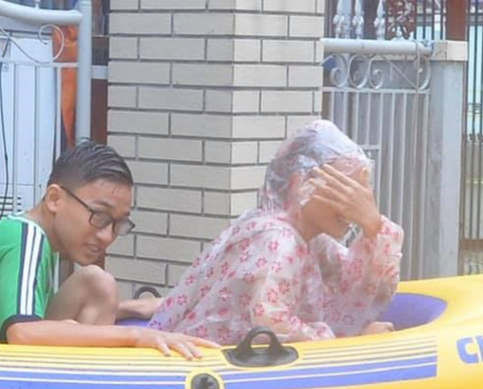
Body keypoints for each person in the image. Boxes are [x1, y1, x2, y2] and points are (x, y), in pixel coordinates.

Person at [0, 140, 214, 356]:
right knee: (98, 280)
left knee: (96, 283)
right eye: (99, 217)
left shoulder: (35, 237)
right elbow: (23, 333)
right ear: (55, 198)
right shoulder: (23, 238)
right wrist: (136, 337)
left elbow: (34, 318)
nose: (106, 236)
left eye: (118, 224)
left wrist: (131, 309)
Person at [148, 119, 402, 344]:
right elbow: (271, 324)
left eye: (359, 195)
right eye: (343, 191)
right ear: (300, 183)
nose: (352, 208)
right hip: (212, 374)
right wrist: (350, 345)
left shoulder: (312, 241)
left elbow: (360, 289)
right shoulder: (278, 239)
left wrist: (373, 226)